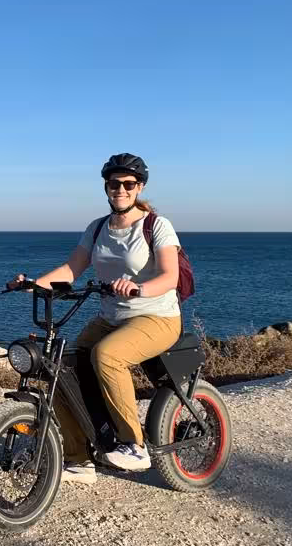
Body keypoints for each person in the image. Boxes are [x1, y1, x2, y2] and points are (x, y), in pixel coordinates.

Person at [9, 153, 182, 484]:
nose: (121, 189)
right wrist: (33, 284)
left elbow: (169, 276)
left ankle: (134, 444)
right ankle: (79, 459)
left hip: (156, 316)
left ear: (139, 187)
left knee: (107, 355)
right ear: (106, 187)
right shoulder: (98, 227)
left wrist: (138, 288)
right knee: (60, 365)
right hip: (112, 317)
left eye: (128, 184)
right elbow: (72, 269)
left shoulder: (156, 225)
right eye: (114, 183)